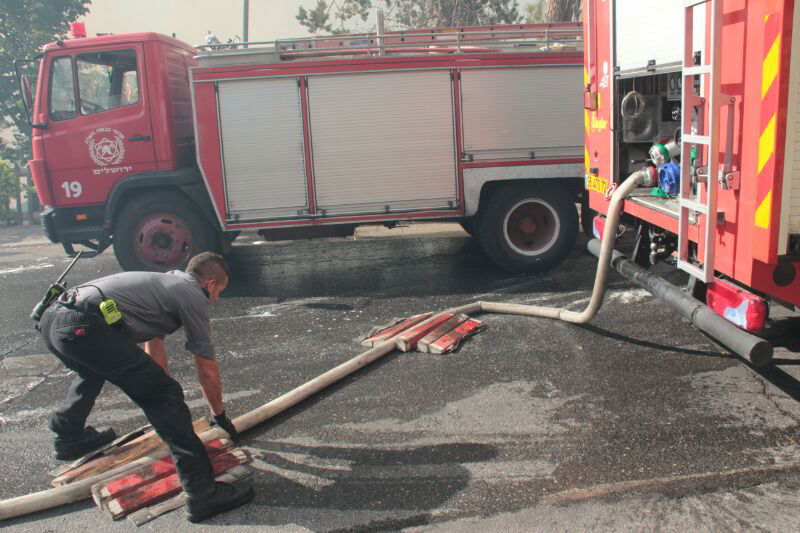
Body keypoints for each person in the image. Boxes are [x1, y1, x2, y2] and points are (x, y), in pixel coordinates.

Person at [38, 252, 253, 522]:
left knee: (94, 371)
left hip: (54, 321)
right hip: (85, 326)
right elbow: (206, 365)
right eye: (219, 291)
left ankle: (67, 434)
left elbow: (154, 345)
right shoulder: (191, 293)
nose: (217, 299)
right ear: (209, 284)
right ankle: (202, 493)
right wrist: (219, 417)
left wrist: (156, 391)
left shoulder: (162, 285)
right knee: (167, 396)